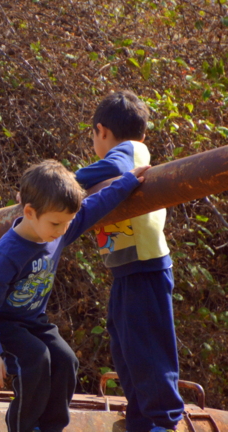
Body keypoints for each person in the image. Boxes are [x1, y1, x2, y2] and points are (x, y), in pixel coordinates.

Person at [0, 159, 148, 432]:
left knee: (65, 361)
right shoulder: (7, 254)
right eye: (56, 224)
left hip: (33, 320)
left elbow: (95, 206)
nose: (63, 231)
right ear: (29, 212)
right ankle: (24, 428)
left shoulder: (55, 228)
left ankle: (51, 428)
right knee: (36, 360)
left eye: (68, 223)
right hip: (2, 324)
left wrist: (127, 182)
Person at [75, 91, 184, 432]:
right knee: (126, 349)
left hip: (145, 268)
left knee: (148, 352)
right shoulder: (133, 147)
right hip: (128, 269)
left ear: (101, 131)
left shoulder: (131, 151)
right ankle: (140, 419)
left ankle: (161, 422)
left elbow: (114, 167)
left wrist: (63, 185)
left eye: (93, 136)